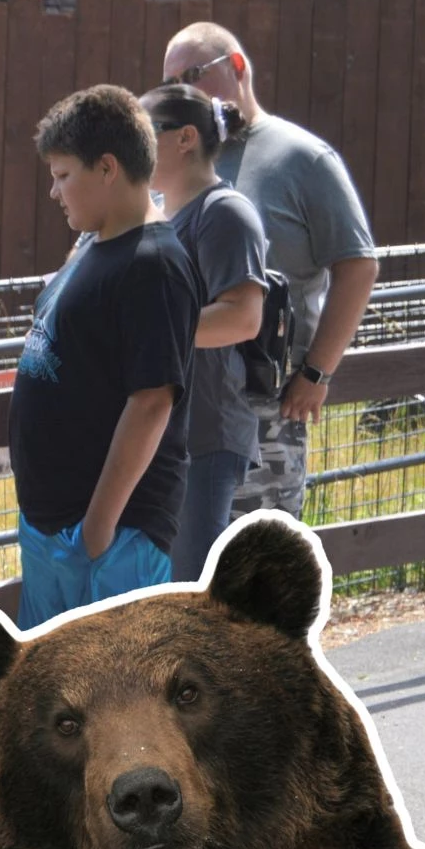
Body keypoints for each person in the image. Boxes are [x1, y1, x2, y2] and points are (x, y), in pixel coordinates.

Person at [164, 23, 379, 518]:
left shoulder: (302, 158)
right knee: (185, 573)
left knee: (257, 568)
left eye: (193, 75)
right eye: (171, 82)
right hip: (180, 398)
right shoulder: (174, 162)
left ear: (237, 68)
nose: (182, 92)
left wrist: (318, 371)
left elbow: (359, 266)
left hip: (265, 404)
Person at [11, 85, 202, 629]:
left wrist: (98, 529)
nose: (54, 191)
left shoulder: (154, 265)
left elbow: (152, 402)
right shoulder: (95, 248)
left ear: (108, 168)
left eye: (63, 174)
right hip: (58, 531)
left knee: (116, 705)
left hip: (109, 540)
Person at [140, 84, 268, 581]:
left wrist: (147, 330)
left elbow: (243, 317)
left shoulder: (224, 213)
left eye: (145, 133)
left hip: (206, 435)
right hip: (164, 430)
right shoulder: (155, 209)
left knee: (188, 591)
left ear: (185, 139)